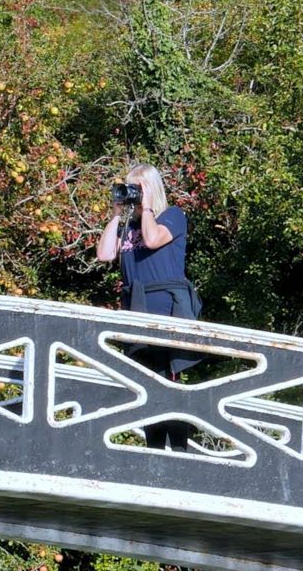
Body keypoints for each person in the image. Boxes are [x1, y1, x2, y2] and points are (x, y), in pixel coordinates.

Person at [96, 163, 201, 452]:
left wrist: (148, 207)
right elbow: (105, 254)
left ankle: (179, 453)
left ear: (151, 189)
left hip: (167, 311)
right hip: (137, 309)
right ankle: (154, 453)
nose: (133, 194)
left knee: (169, 383)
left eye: (137, 189)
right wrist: (117, 214)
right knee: (145, 386)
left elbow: (153, 240)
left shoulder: (173, 216)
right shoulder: (128, 227)